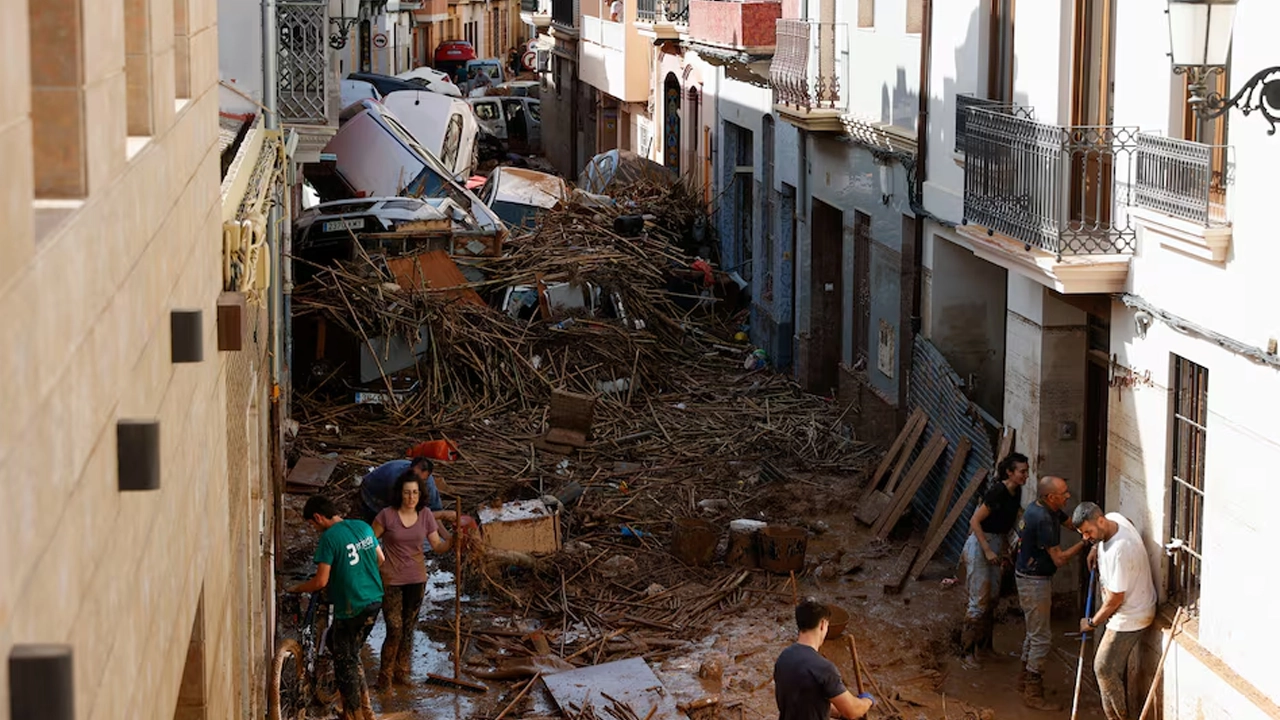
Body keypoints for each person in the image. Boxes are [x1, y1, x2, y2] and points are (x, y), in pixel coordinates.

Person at [289, 496, 384, 720]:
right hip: (374, 599)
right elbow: (380, 559)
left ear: (318, 518)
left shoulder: (329, 538)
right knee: (345, 649)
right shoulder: (362, 526)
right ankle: (366, 706)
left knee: (344, 663)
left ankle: (352, 714)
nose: (314, 529)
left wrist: (297, 588)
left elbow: (320, 582)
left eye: (312, 525)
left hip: (352, 606)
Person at [371, 472, 456, 688]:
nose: (411, 497)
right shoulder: (386, 516)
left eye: (415, 493)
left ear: (420, 495)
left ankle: (402, 673)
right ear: (400, 493)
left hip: (417, 579)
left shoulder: (426, 515)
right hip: (391, 580)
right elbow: (369, 542)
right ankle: (385, 677)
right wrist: (380, 563)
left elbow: (437, 546)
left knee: (409, 627)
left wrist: (455, 540)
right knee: (394, 627)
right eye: (407, 492)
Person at [1073, 502, 1157, 720]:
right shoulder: (1113, 519)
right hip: (1127, 607)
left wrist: (1091, 622)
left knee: (1104, 668)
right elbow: (1127, 522)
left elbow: (1114, 600)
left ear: (1100, 521)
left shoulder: (1120, 551)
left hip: (1131, 615)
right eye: (1083, 534)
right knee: (1108, 668)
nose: (1086, 537)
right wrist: (1095, 548)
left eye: (1088, 532)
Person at [1014, 475, 1086, 710]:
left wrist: (1088, 525)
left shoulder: (1046, 508)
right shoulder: (1043, 518)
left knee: (1033, 633)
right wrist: (1086, 542)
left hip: (1029, 576)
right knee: (1042, 638)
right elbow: (1059, 559)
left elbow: (1068, 523)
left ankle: (1023, 681)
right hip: (1034, 581)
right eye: (1064, 493)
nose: (1068, 496)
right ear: (1051, 496)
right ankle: (1033, 693)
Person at [959, 452, 1030, 668]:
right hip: (982, 543)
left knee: (991, 600)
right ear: (1010, 472)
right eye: (1022, 472)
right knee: (978, 601)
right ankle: (967, 654)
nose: (1026, 475)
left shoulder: (1016, 492)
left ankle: (985, 648)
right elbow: (975, 521)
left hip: (998, 543)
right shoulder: (998, 491)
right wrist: (988, 550)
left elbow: (1008, 524)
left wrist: (1005, 550)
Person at [774, 598, 874, 720]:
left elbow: (806, 702)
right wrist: (867, 701)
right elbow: (852, 711)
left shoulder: (784, 658)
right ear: (822, 624)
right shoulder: (824, 668)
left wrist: (839, 710)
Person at [359, 457, 454, 524]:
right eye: (414, 477)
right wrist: (441, 514)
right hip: (373, 495)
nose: (417, 482)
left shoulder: (428, 483)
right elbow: (402, 514)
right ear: (409, 470)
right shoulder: (394, 478)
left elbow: (434, 509)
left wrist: (446, 537)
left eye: (421, 480)